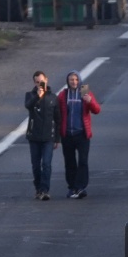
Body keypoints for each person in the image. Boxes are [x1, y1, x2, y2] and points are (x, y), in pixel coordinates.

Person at [56, 71, 101, 199]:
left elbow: (97, 110)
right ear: (68, 81)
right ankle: (72, 187)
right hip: (67, 134)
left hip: (82, 134)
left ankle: (81, 187)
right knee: (69, 162)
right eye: (71, 80)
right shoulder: (63, 95)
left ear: (79, 80)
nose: (74, 82)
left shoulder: (84, 91)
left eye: (76, 79)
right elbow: (57, 113)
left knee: (83, 161)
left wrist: (90, 101)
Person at [24, 70, 59, 200]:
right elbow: (28, 106)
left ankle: (45, 190)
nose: (40, 85)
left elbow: (58, 119)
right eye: (37, 82)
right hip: (34, 136)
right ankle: (38, 188)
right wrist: (37, 97)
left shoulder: (53, 98)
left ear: (47, 80)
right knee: (36, 165)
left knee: (47, 163)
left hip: (48, 137)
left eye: (42, 82)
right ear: (34, 83)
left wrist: (57, 138)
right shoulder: (30, 95)